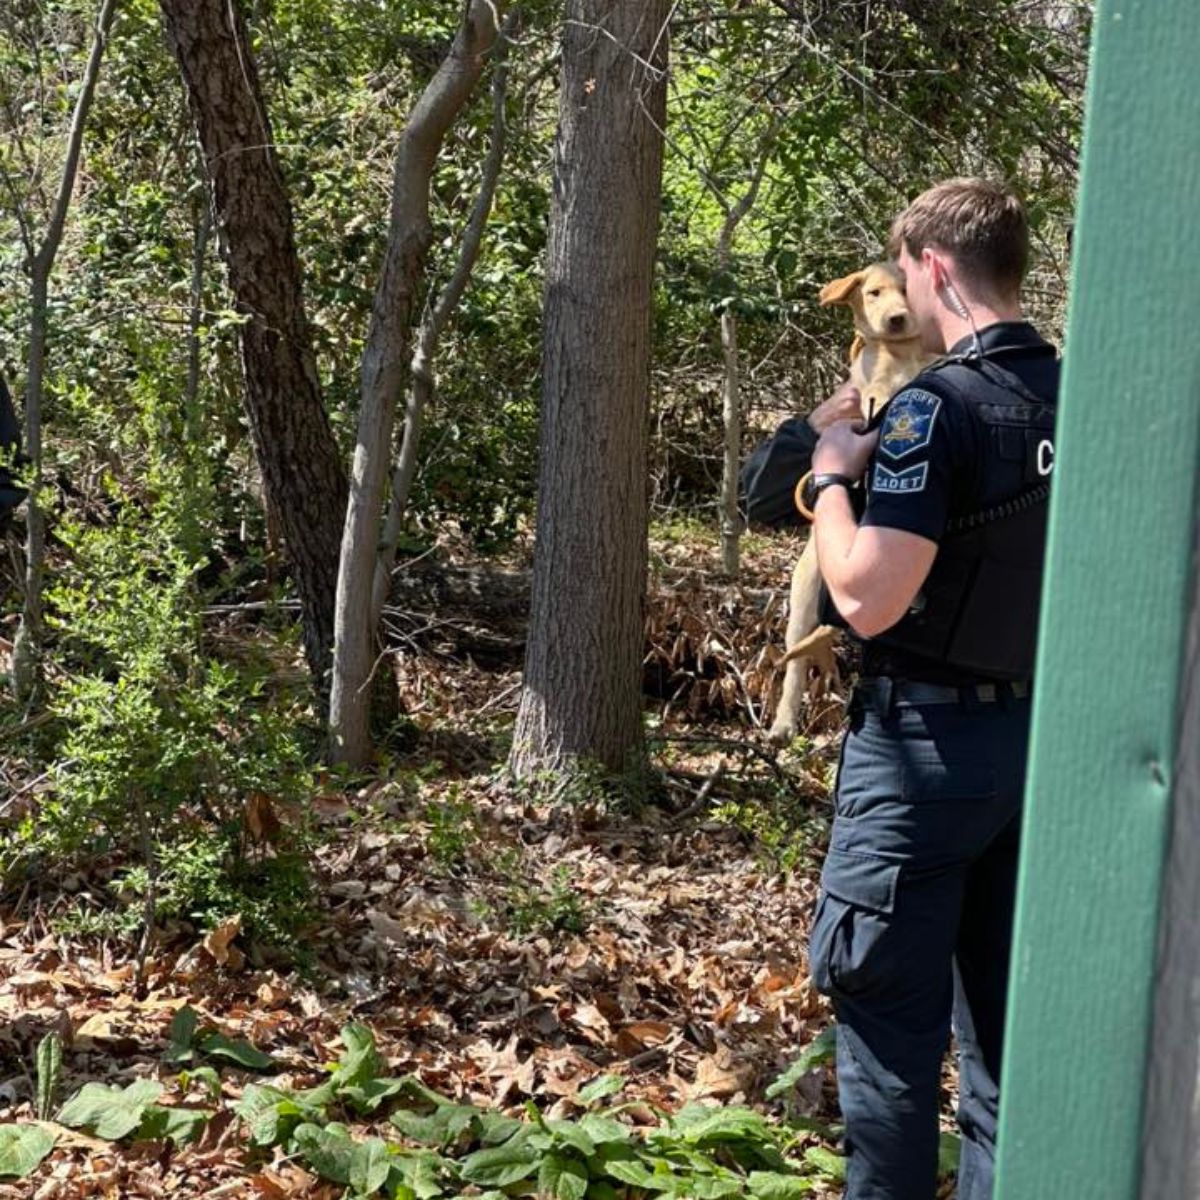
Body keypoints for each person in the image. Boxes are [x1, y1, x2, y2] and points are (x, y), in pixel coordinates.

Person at [747, 178, 1060, 1200]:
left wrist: (834, 474)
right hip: (1041, 756)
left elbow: (870, 596)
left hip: (922, 761)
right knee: (1009, 1066)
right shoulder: (1076, 396)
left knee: (888, 1052)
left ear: (932, 268)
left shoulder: (937, 408)